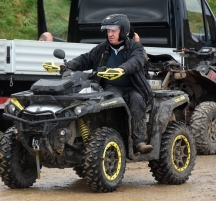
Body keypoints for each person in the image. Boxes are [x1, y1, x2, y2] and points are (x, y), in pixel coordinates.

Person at [64, 14, 153, 153]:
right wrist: (66, 66)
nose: (110, 34)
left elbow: (136, 61)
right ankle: (113, 139)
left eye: (113, 31)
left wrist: (121, 69)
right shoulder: (102, 48)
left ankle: (139, 142)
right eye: (108, 31)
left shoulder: (136, 47)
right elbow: (85, 59)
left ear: (123, 30)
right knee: (111, 103)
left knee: (137, 100)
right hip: (112, 87)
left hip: (134, 87)